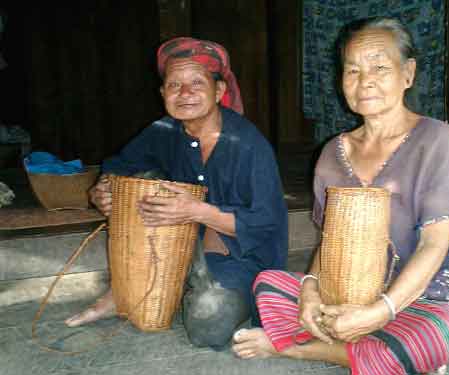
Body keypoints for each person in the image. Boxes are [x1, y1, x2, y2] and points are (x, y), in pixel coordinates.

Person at [232, 17, 449, 374]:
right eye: (352, 70)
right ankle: (368, 348)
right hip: (351, 292)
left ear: (408, 73)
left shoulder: (437, 141)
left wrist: (381, 311)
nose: (364, 80)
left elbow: (435, 245)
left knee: (445, 334)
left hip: (431, 298)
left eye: (380, 66)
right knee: (268, 285)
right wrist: (309, 290)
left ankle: (300, 350)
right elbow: (330, 242)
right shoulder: (331, 154)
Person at [64, 37, 288, 350]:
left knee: (208, 327)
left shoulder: (249, 145)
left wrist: (197, 211)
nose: (185, 94)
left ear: (219, 91)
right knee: (139, 179)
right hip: (178, 246)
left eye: (197, 82)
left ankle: (172, 284)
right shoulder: (163, 131)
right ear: (162, 94)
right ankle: (126, 291)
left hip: (239, 258)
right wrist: (102, 189)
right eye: (174, 85)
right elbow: (118, 167)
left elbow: (266, 223)